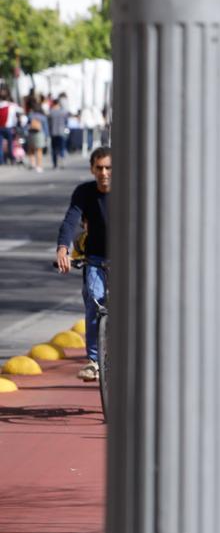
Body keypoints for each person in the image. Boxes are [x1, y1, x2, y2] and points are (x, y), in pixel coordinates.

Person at [56, 147, 112, 382]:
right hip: (96, 258)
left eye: (108, 168)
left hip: (128, 259)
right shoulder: (84, 193)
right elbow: (70, 220)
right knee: (94, 300)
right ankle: (93, 361)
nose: (104, 173)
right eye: (99, 168)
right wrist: (63, 247)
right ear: (92, 169)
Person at [48, 95, 70, 169]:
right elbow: (66, 122)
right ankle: (62, 161)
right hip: (61, 132)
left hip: (53, 132)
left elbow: (49, 123)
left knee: (54, 148)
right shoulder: (63, 112)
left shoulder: (51, 112)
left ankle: (55, 163)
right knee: (62, 148)